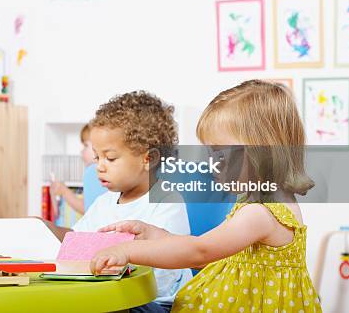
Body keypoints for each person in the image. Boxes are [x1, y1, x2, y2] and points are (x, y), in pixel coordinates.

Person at [91, 80, 321, 313]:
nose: (213, 165)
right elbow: (205, 244)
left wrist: (127, 251)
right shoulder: (261, 203)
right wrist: (154, 234)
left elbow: (200, 252)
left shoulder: (261, 213)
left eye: (220, 154)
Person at [46, 91, 192, 311]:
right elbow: (77, 241)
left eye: (110, 158)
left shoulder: (167, 201)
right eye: (97, 157)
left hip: (153, 302)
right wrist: (46, 229)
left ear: (148, 159)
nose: (100, 166)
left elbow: (163, 278)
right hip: (106, 295)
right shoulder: (104, 203)